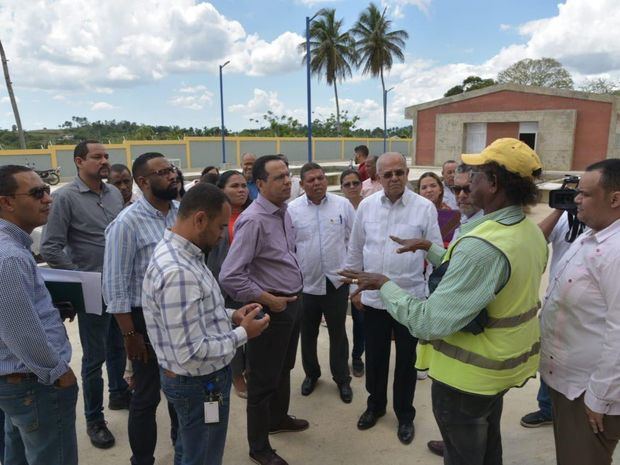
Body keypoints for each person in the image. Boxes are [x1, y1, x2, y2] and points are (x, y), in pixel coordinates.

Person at [341, 138, 548, 465]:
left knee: (464, 452)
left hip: (469, 376)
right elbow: (471, 269)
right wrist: (429, 248)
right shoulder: (528, 231)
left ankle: (404, 414)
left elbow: (429, 322)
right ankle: (376, 405)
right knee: (487, 443)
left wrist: (384, 284)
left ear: (493, 184)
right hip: (498, 370)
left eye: (475, 175)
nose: (464, 182)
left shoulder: (483, 244)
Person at [142, 183, 270, 465]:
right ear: (200, 219)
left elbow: (197, 311)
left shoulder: (183, 253)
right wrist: (243, 333)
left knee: (189, 449)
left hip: (192, 380)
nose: (223, 234)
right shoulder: (179, 272)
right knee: (203, 456)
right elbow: (191, 349)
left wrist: (232, 315)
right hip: (199, 383)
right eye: (221, 226)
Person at [344, 152, 443, 445]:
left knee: (406, 363)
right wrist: (354, 290)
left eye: (399, 172)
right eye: (387, 174)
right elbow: (355, 248)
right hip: (374, 299)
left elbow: (436, 252)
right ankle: (375, 406)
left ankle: (405, 415)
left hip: (409, 300)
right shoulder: (367, 207)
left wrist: (427, 293)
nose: (394, 179)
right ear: (378, 176)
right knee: (375, 358)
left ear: (408, 172)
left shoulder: (424, 208)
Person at [40, 140, 128, 449]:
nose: (104, 161)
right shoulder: (65, 198)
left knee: (119, 346)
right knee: (94, 358)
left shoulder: (114, 193)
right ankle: (94, 419)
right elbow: (50, 247)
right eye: (97, 157)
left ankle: (119, 393)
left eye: (106, 156)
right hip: (92, 291)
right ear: (79, 161)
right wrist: (82, 280)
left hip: (120, 288)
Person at [220, 155, 308, 465]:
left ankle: (278, 419)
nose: (287, 181)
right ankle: (258, 447)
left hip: (292, 303)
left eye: (288, 174)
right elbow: (230, 275)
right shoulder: (254, 219)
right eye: (279, 177)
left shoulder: (283, 212)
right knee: (261, 380)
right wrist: (268, 300)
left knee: (282, 368)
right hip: (272, 311)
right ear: (260, 184)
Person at [540, 159, 620, 465]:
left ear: (614, 199)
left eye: (585, 194)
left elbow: (618, 331)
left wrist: (600, 398)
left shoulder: (615, 251)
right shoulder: (591, 235)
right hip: (568, 384)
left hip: (589, 394)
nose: (575, 199)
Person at [103, 152, 180, 465]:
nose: (172, 176)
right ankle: (143, 459)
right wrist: (130, 334)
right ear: (143, 182)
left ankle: (182, 447)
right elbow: (115, 285)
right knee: (146, 397)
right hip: (143, 322)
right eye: (163, 172)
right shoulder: (126, 223)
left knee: (179, 389)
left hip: (177, 317)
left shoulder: (180, 212)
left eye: (172, 169)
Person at [0, 165, 78, 465]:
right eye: (36, 193)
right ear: (6, 202)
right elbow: (20, 332)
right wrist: (57, 372)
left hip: (21, 381)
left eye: (46, 190)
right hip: (34, 383)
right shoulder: (10, 257)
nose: (48, 198)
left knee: (17, 454)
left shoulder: (13, 249)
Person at [289, 162, 355, 403]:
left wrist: (350, 274)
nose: (317, 183)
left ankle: (342, 379)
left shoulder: (343, 205)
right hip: (305, 284)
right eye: (311, 180)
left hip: (336, 283)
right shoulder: (292, 210)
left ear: (326, 180)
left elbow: (355, 240)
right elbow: (288, 247)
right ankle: (311, 374)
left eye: (320, 178)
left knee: (338, 333)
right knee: (307, 334)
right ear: (303, 184)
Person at [207, 170, 253, 399]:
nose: (241, 190)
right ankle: (237, 375)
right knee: (233, 331)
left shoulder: (254, 214)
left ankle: (252, 369)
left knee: (253, 328)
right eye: (234, 186)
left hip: (251, 283)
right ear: (221, 190)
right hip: (223, 285)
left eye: (244, 185)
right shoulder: (214, 217)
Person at [339, 169, 365, 377]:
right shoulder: (337, 209)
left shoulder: (369, 208)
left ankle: (357, 356)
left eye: (355, 183)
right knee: (339, 321)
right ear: (341, 188)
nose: (352, 187)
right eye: (347, 184)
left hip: (365, 270)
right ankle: (341, 360)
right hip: (342, 272)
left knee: (361, 318)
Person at [417, 171, 461, 246]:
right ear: (419, 192)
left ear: (440, 189)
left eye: (433, 186)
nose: (429, 190)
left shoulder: (451, 214)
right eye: (424, 188)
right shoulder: (413, 214)